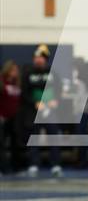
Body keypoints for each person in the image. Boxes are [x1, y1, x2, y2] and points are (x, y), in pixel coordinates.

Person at [20, 45, 63, 177]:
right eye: (36, 58)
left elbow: (59, 90)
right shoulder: (28, 73)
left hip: (50, 111)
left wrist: (56, 100)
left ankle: (55, 165)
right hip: (34, 112)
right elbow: (24, 93)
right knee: (34, 138)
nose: (38, 60)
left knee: (53, 137)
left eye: (40, 58)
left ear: (45, 59)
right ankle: (34, 164)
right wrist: (35, 103)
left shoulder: (52, 73)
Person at [0, 60, 22, 174]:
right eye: (13, 70)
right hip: (2, 118)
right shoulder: (2, 82)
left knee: (15, 143)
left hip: (14, 118)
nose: (16, 72)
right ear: (7, 70)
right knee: (1, 144)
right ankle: (4, 168)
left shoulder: (17, 83)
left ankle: (16, 167)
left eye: (17, 70)